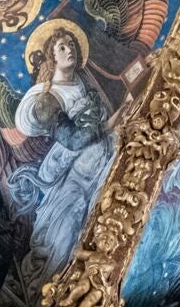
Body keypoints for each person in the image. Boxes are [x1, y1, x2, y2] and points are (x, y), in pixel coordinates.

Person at [10, 20, 114, 276]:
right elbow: (74, 140)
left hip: (97, 159)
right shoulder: (46, 98)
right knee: (69, 222)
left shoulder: (81, 85)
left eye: (72, 45)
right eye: (62, 47)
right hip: (68, 170)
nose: (70, 50)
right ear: (51, 57)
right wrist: (106, 123)